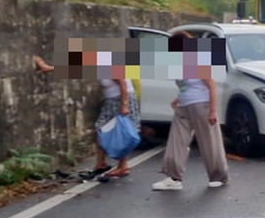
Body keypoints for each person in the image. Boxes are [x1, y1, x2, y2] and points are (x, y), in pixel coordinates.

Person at [153, 40, 230, 191]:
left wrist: (213, 111)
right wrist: (178, 98)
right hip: (184, 106)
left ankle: (219, 176)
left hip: (201, 105)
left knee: (209, 141)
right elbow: (186, 86)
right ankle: (173, 177)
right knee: (177, 141)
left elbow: (211, 86)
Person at [92, 50, 136, 179]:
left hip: (120, 99)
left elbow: (122, 84)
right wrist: (48, 68)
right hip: (111, 101)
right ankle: (101, 162)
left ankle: (123, 166)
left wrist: (124, 105)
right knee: (102, 129)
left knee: (117, 132)